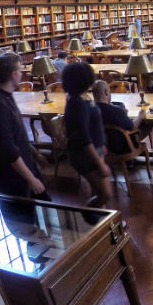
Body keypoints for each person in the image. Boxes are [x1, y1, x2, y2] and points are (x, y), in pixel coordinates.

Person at [0, 53, 51, 200]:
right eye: (20, 71)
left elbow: (17, 133)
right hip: (13, 177)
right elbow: (9, 150)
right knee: (24, 219)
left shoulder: (6, 96)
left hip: (25, 169)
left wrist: (34, 153)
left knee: (44, 209)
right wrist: (31, 179)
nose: (22, 74)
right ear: (14, 75)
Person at [62, 61, 111, 208]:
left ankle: (103, 224)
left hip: (93, 150)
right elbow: (83, 136)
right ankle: (88, 214)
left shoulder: (83, 96)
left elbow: (93, 124)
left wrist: (101, 143)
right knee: (105, 194)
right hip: (84, 155)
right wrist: (100, 163)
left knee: (97, 191)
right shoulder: (76, 102)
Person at [91, 80, 150, 160]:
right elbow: (133, 126)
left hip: (99, 148)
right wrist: (140, 115)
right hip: (121, 147)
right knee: (147, 124)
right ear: (106, 92)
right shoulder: (115, 111)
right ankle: (130, 158)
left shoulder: (89, 110)